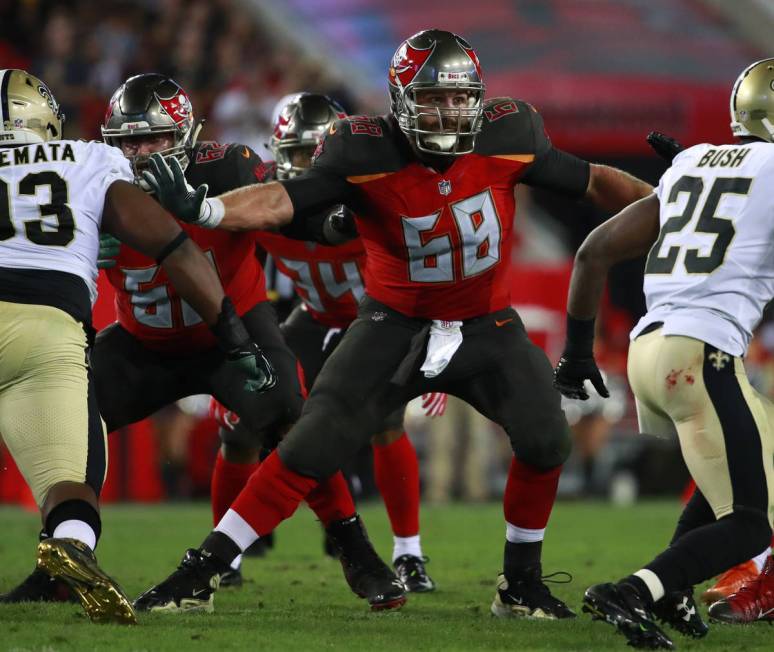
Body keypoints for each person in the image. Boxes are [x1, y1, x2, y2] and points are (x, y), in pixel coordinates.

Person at [134, 28, 653, 618]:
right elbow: (284, 198)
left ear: (478, 98)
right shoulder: (363, 148)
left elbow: (591, 180)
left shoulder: (511, 132)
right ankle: (203, 570)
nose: (449, 110)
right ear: (402, 98)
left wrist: (671, 201)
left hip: (486, 324)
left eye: (459, 97)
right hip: (392, 323)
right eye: (432, 98)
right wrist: (208, 210)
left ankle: (520, 584)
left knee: (546, 438)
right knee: (307, 446)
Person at [2, 73, 401, 611]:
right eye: (129, 141)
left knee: (290, 418)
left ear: (187, 137)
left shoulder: (226, 167)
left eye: (156, 139)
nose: (142, 153)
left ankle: (356, 550)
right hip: (144, 343)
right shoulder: (91, 175)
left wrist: (338, 221)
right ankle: (64, 561)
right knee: (73, 420)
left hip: (231, 334)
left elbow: (297, 217)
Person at [0, 69, 274, 624]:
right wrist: (234, 335)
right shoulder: (87, 159)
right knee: (67, 476)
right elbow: (173, 245)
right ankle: (72, 543)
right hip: (47, 326)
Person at [553, 58, 774, 647]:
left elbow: (593, 252)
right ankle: (635, 590)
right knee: (752, 522)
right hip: (702, 354)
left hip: (648, 351)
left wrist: (577, 353)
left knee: (749, 452)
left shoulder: (689, 162)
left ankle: (671, 588)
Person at [211, 91, 444, 590]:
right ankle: (225, 556)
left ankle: (409, 554)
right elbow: (236, 271)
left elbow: (424, 265)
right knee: (239, 426)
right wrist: (230, 352)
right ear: (276, 152)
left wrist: (438, 331)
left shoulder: (370, 197)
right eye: (295, 154)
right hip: (311, 319)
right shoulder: (268, 202)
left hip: (377, 320)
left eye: (316, 155)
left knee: (385, 423)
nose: (306, 167)